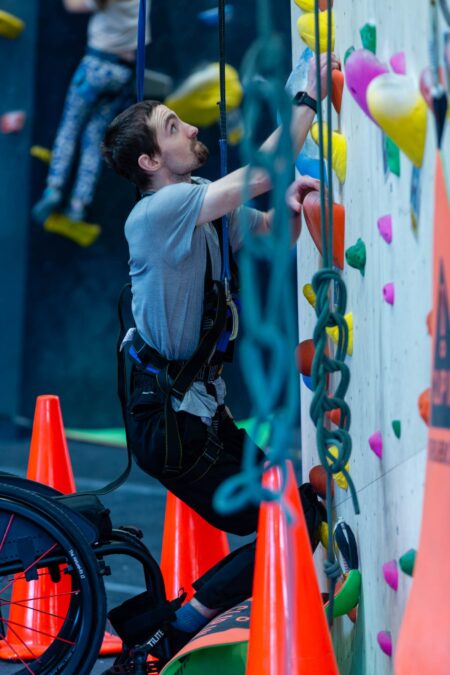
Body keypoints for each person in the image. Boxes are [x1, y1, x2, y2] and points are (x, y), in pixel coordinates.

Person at [101, 51, 339, 669]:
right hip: (172, 425)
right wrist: (307, 97)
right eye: (175, 127)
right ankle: (172, 629)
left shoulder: (199, 205)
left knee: (296, 511)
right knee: (286, 521)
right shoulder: (158, 213)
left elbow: (264, 237)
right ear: (151, 162)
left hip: (198, 417)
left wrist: (288, 213)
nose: (193, 130)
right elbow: (258, 176)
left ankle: (172, 623)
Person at [32, 0, 150, 225]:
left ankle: (54, 188)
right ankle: (79, 203)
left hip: (97, 64)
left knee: (70, 127)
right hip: (122, 72)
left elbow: (74, 5)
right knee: (95, 138)